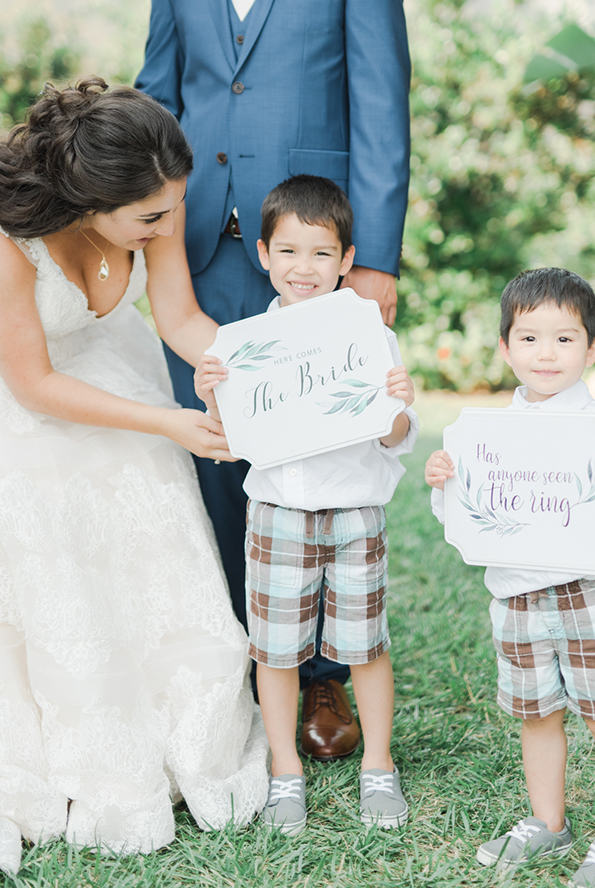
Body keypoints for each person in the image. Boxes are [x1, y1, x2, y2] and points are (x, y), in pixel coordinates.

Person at [0, 77, 269, 875]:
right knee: (62, 521)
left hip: (117, 375)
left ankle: (180, 731)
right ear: (86, 201)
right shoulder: (13, 242)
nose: (164, 224)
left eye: (171, 207)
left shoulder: (158, 195)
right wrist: (171, 423)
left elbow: (181, 322)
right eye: (148, 218)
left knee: (154, 516)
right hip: (29, 401)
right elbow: (35, 385)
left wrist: (252, 375)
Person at [135, 0, 411, 759]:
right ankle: (248, 660)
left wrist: (377, 256)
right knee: (218, 451)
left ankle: (321, 675)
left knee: (321, 447)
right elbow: (155, 97)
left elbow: (383, 105)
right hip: (197, 246)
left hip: (313, 249)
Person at [195, 175, 418, 833]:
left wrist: (395, 408)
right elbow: (234, 438)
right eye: (288, 252)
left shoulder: (367, 334)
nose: (304, 268)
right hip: (278, 513)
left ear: (347, 260)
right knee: (277, 651)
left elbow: (396, 436)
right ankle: (284, 770)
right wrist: (213, 392)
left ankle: (379, 762)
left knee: (367, 645)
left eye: (321, 253)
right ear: (263, 254)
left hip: (354, 512)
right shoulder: (244, 346)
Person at [426, 268, 595, 887]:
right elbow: (465, 519)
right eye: (528, 339)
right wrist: (447, 478)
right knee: (537, 714)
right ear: (504, 348)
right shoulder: (489, 434)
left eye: (564, 339)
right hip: (517, 596)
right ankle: (548, 823)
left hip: (588, 595)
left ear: (592, 348)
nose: (545, 354)